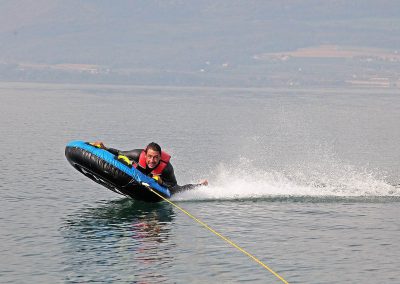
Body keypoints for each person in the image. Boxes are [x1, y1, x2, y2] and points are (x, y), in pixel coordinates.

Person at [92, 141, 208, 194]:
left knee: (179, 189)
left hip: (164, 183)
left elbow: (172, 187)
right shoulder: (137, 155)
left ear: (160, 157)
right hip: (145, 175)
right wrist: (104, 148)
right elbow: (119, 153)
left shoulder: (166, 168)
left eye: (156, 157)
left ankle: (200, 184)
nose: (152, 160)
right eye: (150, 157)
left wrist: (161, 181)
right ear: (145, 155)